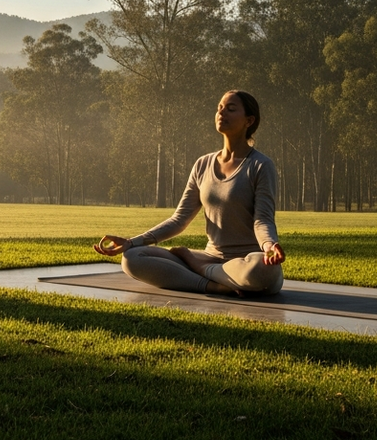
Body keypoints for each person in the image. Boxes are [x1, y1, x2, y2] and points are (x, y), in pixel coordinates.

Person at [94, 90, 285, 296]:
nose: (222, 113)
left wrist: (269, 247)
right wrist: (132, 242)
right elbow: (179, 219)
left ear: (249, 121)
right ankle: (214, 285)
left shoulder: (260, 165)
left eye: (231, 109)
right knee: (132, 257)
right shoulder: (203, 164)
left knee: (265, 271)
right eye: (219, 108)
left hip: (245, 262)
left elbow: (262, 220)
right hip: (211, 256)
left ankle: (199, 269)